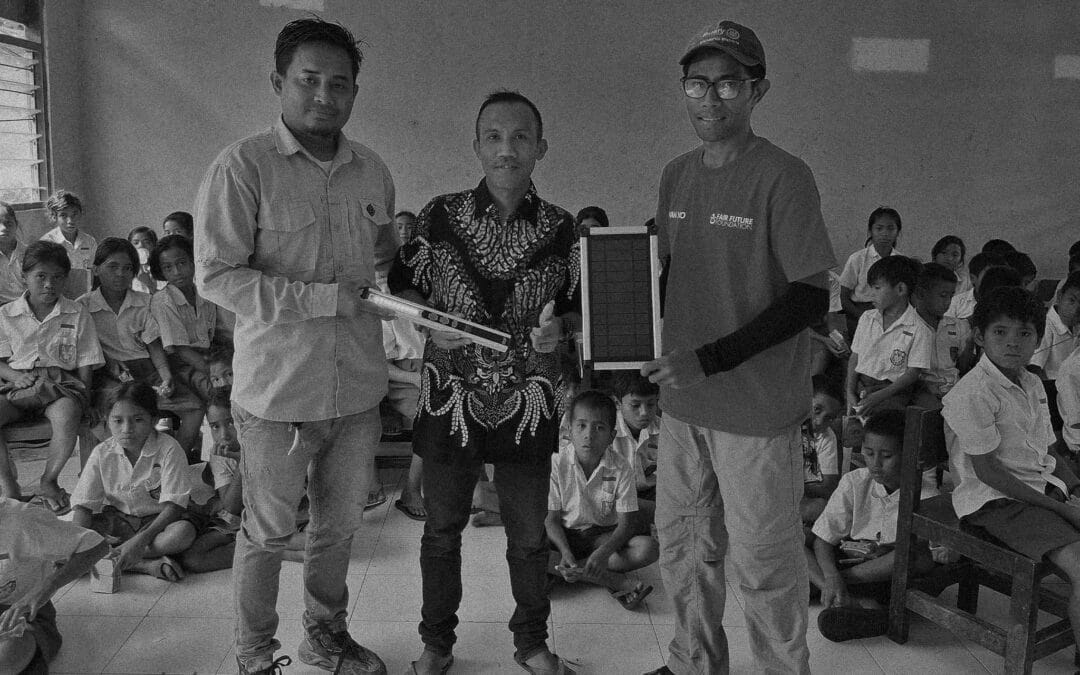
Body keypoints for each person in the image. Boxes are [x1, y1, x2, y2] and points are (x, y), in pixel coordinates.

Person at [194, 17, 394, 675]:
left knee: (337, 529)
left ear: (354, 92)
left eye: (340, 84)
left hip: (358, 389)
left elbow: (377, 265)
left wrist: (391, 267)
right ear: (279, 83)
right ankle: (254, 655)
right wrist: (318, 298)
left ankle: (325, 635)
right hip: (279, 395)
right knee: (267, 532)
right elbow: (217, 275)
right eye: (309, 81)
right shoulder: (241, 167)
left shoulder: (373, 172)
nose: (324, 96)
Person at [641, 20, 835, 674]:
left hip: (755, 413)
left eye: (728, 83)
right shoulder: (675, 177)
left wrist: (712, 357)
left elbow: (811, 298)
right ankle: (694, 662)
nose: (710, 99)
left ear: (757, 90)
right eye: (698, 83)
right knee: (685, 552)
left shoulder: (784, 176)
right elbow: (668, 279)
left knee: (764, 565)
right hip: (682, 407)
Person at [389, 90, 580, 675]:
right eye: (494, 137)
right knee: (442, 532)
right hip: (451, 395)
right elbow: (404, 286)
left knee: (527, 537)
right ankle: (436, 645)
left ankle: (531, 643)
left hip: (530, 397)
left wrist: (561, 331)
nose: (507, 149)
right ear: (476, 146)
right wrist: (429, 323)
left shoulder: (562, 228)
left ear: (540, 148)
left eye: (521, 137)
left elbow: (576, 310)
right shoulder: (438, 216)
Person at [943, 286, 1080, 653]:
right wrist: (1063, 508)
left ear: (1039, 337)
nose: (1012, 343)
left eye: (1024, 333)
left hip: (1037, 491)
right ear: (979, 336)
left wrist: (1076, 489)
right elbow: (989, 474)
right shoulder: (972, 393)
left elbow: (1049, 450)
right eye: (1000, 332)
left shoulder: (1032, 381)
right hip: (996, 503)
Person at [807, 409, 935, 642]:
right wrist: (830, 574)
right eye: (868, 453)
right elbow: (823, 540)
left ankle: (833, 592)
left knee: (910, 555)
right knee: (795, 538)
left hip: (887, 576)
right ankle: (854, 603)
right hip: (850, 558)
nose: (875, 464)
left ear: (907, 454)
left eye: (886, 456)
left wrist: (837, 577)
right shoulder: (854, 481)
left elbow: (927, 558)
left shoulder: (925, 494)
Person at [0, 241, 105, 511]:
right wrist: (13, 375)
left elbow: (86, 360)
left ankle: (49, 480)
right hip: (17, 384)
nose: (49, 284)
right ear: (25, 277)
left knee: (68, 413)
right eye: (41, 277)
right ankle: (9, 485)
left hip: (61, 384)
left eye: (57, 277)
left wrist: (88, 399)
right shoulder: (6, 314)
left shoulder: (76, 311)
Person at [71, 382, 196, 582]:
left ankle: (110, 556)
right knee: (70, 536)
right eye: (118, 421)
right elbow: (84, 506)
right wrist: (74, 542)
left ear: (153, 419)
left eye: (138, 420)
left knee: (182, 533)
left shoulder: (169, 449)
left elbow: (174, 508)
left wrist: (139, 541)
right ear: (107, 420)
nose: (127, 429)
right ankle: (145, 565)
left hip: (160, 522)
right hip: (120, 521)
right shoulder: (102, 453)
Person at [545, 390, 657, 610]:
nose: (589, 435)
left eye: (599, 428)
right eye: (582, 426)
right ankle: (612, 580)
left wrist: (603, 552)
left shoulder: (621, 467)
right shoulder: (556, 463)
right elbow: (551, 520)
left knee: (649, 548)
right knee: (529, 552)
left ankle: (569, 571)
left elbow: (627, 524)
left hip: (600, 537)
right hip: (563, 537)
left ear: (612, 436)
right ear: (569, 430)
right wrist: (565, 551)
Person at [78, 238, 183, 432]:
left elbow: (154, 347)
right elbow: (86, 349)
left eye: (127, 268)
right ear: (96, 269)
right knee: (127, 409)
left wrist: (166, 376)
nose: (120, 274)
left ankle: (178, 456)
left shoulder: (145, 302)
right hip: (107, 374)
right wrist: (109, 362)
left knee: (191, 406)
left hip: (146, 369)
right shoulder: (83, 307)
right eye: (112, 267)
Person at [0, 497, 109, 674]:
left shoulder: (22, 519)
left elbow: (95, 546)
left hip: (22, 614)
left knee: (5, 658)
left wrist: (45, 588)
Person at [149, 234, 216, 458]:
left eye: (182, 263)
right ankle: (179, 460)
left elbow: (213, 337)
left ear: (193, 261)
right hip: (181, 366)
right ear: (161, 272)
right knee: (219, 393)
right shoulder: (163, 300)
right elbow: (180, 349)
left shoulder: (205, 294)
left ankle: (220, 458)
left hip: (206, 358)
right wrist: (213, 371)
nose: (177, 272)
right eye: (168, 267)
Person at [845, 256, 932, 416]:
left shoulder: (920, 329)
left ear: (900, 289)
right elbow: (854, 357)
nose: (871, 294)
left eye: (877, 288)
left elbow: (912, 374)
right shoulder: (867, 318)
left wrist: (878, 396)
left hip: (892, 392)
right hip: (860, 385)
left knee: (880, 424)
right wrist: (849, 391)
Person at [839, 207, 903, 336]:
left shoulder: (901, 261)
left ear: (898, 232)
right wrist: (863, 317)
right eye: (879, 228)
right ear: (870, 231)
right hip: (858, 314)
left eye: (891, 228)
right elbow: (843, 297)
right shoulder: (857, 259)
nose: (885, 233)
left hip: (892, 316)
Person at [1030, 271, 1080, 434]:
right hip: (1051, 392)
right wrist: (1050, 398)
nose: (1076, 309)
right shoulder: (1046, 325)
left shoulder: (1076, 326)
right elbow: (1035, 369)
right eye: (1072, 300)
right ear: (1059, 296)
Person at [910, 262, 963, 408]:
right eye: (943, 295)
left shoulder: (956, 326)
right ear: (921, 294)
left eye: (951, 296)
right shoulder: (907, 326)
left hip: (954, 388)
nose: (947, 302)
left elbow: (962, 365)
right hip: (921, 389)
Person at [610, 372, 660, 516]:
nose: (644, 412)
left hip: (654, 495)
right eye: (635, 405)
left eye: (651, 404)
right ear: (617, 403)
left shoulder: (666, 431)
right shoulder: (605, 432)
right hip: (615, 498)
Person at [801, 375, 843, 525]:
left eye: (829, 418)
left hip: (797, 498)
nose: (819, 421)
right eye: (816, 410)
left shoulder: (826, 436)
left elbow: (827, 487)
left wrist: (792, 481)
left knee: (819, 507)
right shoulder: (785, 427)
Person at [39, 190, 96, 298]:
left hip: (83, 298)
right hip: (58, 298)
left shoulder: (90, 242)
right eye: (64, 215)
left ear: (80, 214)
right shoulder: (47, 243)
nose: (70, 220)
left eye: (74, 214)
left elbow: (92, 272)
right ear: (54, 217)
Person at [0, 202, 26, 304]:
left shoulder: (30, 253)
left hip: (29, 307)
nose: (3, 228)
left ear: (16, 225)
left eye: (8, 223)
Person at [127, 226, 163, 294]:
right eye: (136, 243)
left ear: (154, 245)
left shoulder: (161, 268)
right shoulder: (127, 269)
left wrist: (148, 282)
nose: (141, 246)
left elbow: (167, 299)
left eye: (147, 242)